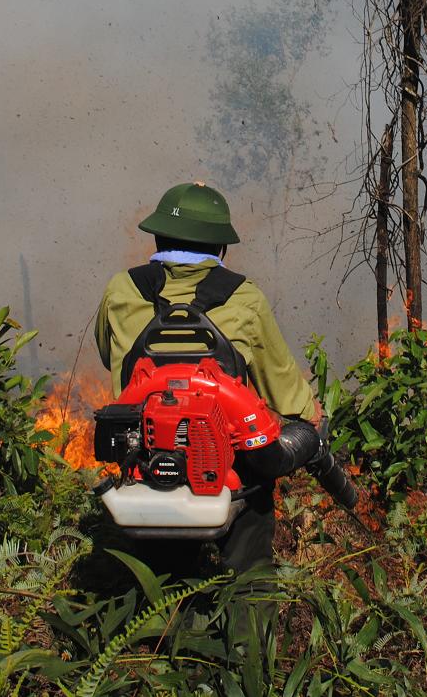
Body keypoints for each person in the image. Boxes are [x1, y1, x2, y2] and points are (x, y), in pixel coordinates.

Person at [94, 180, 320, 573]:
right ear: (221, 247)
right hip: (234, 471)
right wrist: (310, 420)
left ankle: (158, 628)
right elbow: (285, 392)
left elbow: (106, 354)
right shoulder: (243, 297)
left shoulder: (121, 289)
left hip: (144, 464)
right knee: (251, 576)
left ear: (159, 237)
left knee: (154, 584)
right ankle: (247, 621)